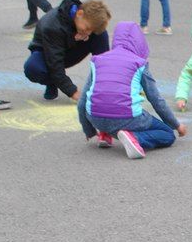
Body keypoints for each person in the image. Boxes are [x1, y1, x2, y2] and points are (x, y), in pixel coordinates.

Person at [77, 21, 186, 160]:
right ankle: (135, 137)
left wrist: (90, 130)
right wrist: (176, 125)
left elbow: (82, 102)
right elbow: (156, 100)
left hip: (95, 118)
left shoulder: (98, 60)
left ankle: (105, 134)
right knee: (167, 134)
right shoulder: (139, 63)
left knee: (105, 99)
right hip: (126, 118)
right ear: (140, 42)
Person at [24, 0, 111, 101]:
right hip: (46, 52)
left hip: (69, 49)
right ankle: (51, 82)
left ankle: (102, 89)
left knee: (101, 34)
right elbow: (55, 63)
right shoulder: (52, 25)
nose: (88, 33)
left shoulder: (86, 20)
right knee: (33, 69)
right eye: (87, 28)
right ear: (79, 14)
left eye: (90, 31)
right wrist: (74, 93)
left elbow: (104, 62)